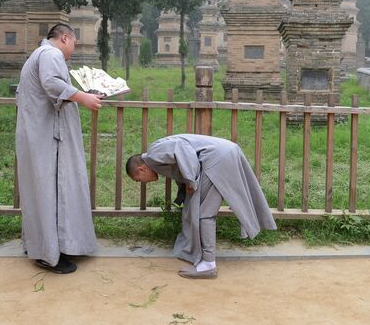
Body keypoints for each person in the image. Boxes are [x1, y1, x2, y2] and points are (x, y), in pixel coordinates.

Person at [126, 134, 277, 279]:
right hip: (224, 153)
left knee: (203, 213)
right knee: (200, 210)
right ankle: (202, 257)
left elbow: (181, 147)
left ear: (141, 169)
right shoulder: (155, 159)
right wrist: (187, 182)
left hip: (216, 159)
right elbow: (180, 161)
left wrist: (191, 179)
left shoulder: (153, 153)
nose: (144, 183)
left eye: (139, 180)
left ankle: (208, 265)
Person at [15, 23, 103, 274]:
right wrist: (83, 98)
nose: (72, 50)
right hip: (44, 137)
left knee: (42, 190)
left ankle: (41, 245)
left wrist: (83, 94)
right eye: (73, 44)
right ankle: (49, 254)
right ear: (65, 38)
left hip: (39, 135)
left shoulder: (39, 54)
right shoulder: (51, 54)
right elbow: (52, 83)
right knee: (49, 190)